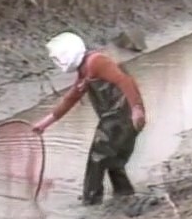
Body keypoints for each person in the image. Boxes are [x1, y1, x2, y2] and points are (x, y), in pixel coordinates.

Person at [32, 32, 147, 206]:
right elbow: (70, 99)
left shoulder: (96, 62)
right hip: (116, 118)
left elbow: (125, 82)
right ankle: (124, 194)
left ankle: (91, 201)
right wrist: (45, 123)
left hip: (120, 116)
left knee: (98, 157)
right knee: (113, 160)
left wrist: (136, 109)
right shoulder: (85, 70)